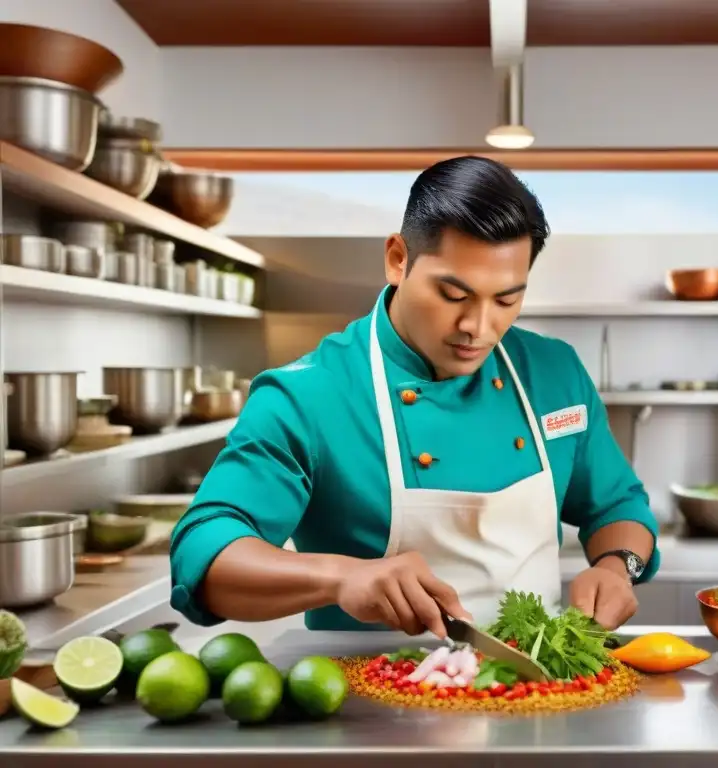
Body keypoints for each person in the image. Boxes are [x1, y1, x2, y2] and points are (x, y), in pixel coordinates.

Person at [169, 155, 661, 638]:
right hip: (368, 698)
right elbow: (202, 553)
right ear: (398, 260)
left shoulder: (554, 373)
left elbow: (619, 505)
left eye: (507, 299)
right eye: (453, 295)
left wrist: (619, 568)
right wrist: (340, 577)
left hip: (533, 688)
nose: (478, 327)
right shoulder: (307, 395)